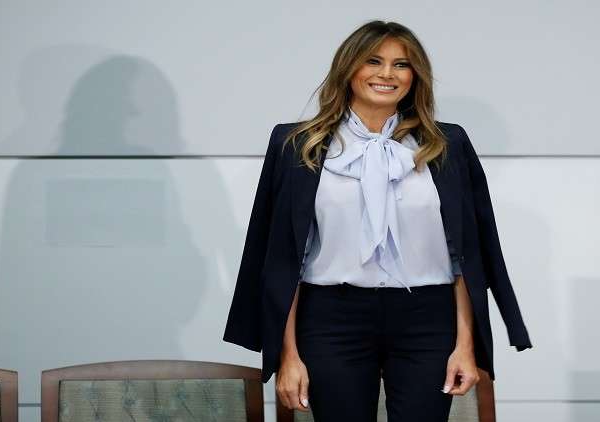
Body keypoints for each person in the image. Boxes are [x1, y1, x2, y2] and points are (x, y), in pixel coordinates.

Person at [222, 20, 532, 422]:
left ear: (414, 76)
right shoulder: (297, 144)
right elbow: (283, 258)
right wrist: (288, 355)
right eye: (373, 61)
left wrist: (465, 345)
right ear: (348, 67)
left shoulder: (446, 144)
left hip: (428, 317)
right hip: (331, 317)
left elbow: (465, 256)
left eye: (401, 64)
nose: (387, 74)